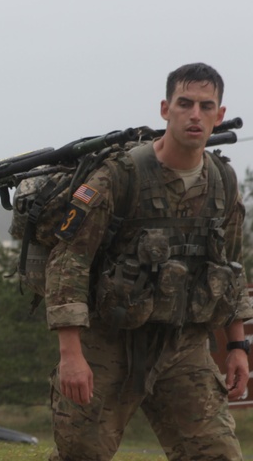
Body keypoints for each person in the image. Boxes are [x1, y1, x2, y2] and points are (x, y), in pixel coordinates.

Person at [44, 62, 251, 461]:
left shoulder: (223, 182)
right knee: (81, 454)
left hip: (183, 345)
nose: (195, 115)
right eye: (184, 103)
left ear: (219, 115)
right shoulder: (120, 177)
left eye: (206, 106)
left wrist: (237, 345)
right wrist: (70, 354)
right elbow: (68, 262)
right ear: (165, 109)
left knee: (217, 454)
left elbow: (231, 267)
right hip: (107, 343)